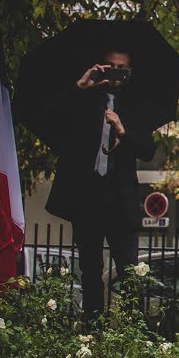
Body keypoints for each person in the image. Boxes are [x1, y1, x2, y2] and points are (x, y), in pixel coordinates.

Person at [44, 48, 155, 322]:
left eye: (122, 68)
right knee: (91, 273)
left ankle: (131, 335)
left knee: (129, 273)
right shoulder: (83, 99)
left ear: (129, 73)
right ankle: (91, 333)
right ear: (102, 68)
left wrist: (123, 131)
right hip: (87, 201)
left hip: (120, 204)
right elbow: (50, 118)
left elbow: (148, 150)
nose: (116, 72)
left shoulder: (137, 105)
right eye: (111, 67)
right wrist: (80, 86)